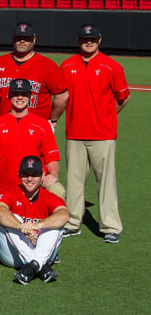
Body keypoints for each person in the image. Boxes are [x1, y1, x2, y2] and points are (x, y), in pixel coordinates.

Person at [60, 23, 129, 243]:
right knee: (74, 181)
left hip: (103, 135)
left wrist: (106, 115)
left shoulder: (112, 66)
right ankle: (72, 222)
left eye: (92, 38)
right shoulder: (67, 65)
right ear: (78, 40)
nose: (88, 41)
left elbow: (123, 97)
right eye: (84, 38)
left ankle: (110, 226)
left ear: (100, 40)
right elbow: (61, 96)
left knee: (106, 182)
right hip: (75, 133)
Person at [0, 156, 68, 285]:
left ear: (43, 176)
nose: (29, 179)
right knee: (9, 221)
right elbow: (0, 211)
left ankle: (33, 266)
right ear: (19, 175)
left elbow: (64, 215)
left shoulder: (50, 197)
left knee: (56, 225)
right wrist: (21, 227)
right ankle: (41, 266)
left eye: (34, 175)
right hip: (12, 255)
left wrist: (36, 226)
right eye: (25, 175)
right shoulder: (10, 192)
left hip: (39, 247)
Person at [0, 79, 64, 198]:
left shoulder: (43, 124)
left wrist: (53, 174)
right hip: (5, 186)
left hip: (36, 184)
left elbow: (52, 158)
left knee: (58, 191)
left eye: (24, 94)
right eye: (16, 94)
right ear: (9, 96)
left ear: (30, 97)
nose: (20, 98)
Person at [0, 22, 68, 123]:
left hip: (37, 126)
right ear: (13, 39)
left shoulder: (48, 65)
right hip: (3, 125)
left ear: (34, 40)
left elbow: (62, 96)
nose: (22, 41)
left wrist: (53, 119)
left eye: (26, 38)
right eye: (19, 38)